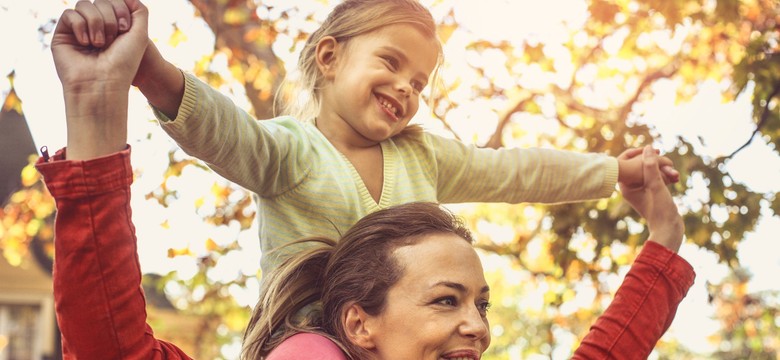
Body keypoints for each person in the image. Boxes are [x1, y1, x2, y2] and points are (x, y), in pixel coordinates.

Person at [41, 1, 693, 358]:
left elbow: (515, 170)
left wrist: (613, 172)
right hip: (303, 336)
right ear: (328, 57)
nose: (407, 89)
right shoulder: (288, 151)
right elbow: (224, 128)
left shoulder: (425, 156)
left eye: (420, 83)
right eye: (391, 63)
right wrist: (147, 74)